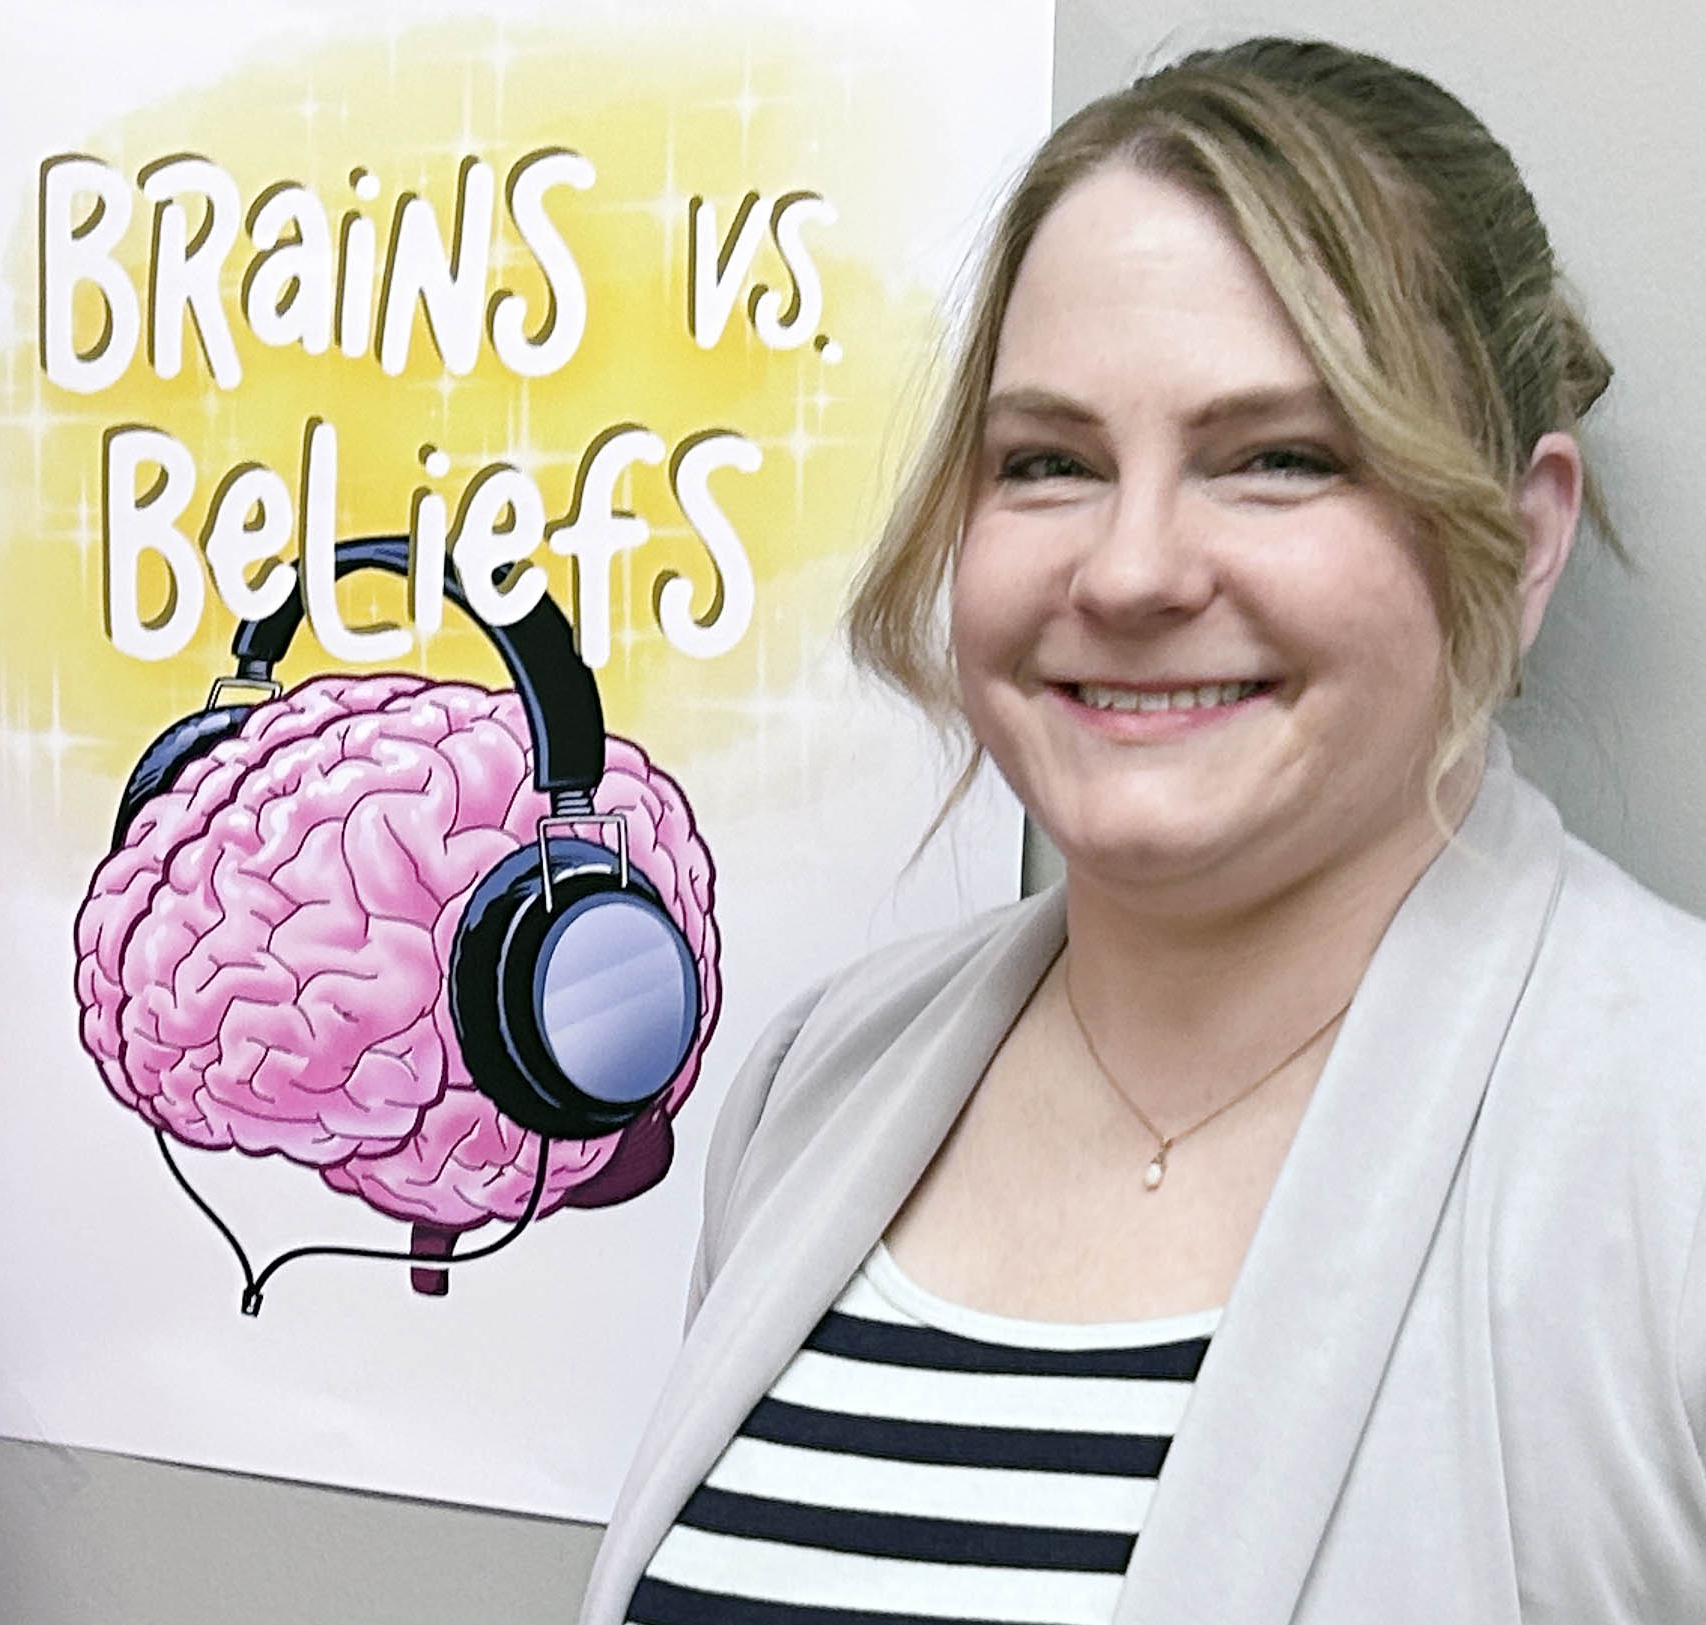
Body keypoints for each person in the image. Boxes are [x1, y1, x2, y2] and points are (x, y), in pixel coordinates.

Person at [580, 37, 1705, 1625]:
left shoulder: (1671, 1142)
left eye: (1276, 459)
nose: (1127, 570)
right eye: (1047, 463)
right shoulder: (814, 1085)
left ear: (1518, 544)